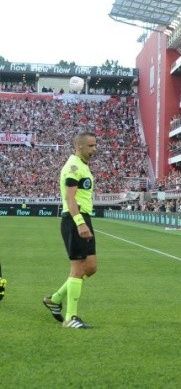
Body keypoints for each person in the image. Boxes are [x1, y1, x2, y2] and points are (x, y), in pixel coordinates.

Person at [43, 132, 98, 329]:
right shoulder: (73, 166)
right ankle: (70, 318)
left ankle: (55, 299)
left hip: (84, 218)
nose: (94, 149)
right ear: (79, 146)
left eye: (95, 145)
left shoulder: (83, 165)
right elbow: (70, 198)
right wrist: (79, 222)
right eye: (90, 146)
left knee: (90, 267)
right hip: (76, 219)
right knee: (77, 269)